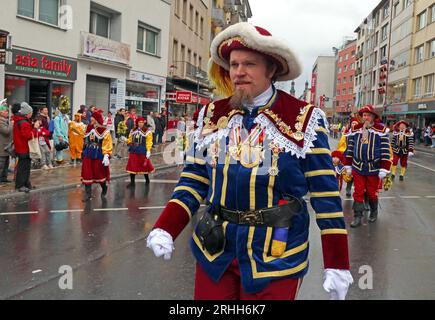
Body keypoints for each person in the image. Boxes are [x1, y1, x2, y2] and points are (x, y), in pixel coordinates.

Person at [146, 22, 352, 300]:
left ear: (271, 69)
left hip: (276, 256)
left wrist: (337, 263)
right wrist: (166, 227)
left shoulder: (303, 118)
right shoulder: (211, 115)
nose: (239, 72)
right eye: (234, 64)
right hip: (215, 249)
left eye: (249, 64)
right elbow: (194, 179)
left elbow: (325, 195)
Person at [344, 105, 392, 227]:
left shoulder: (381, 130)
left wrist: (384, 168)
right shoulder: (355, 129)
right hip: (358, 166)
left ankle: (374, 212)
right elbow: (350, 148)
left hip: (373, 167)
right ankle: (357, 216)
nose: (366, 117)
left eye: (368, 115)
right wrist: (348, 165)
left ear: (373, 117)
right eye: (364, 115)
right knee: (358, 191)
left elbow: (386, 150)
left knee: (371, 192)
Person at [81, 110, 112, 202]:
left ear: (97, 119)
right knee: (87, 173)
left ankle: (104, 187)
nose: (91, 119)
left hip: (98, 154)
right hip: (88, 154)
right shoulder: (88, 128)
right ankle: (88, 194)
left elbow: (107, 143)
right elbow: (85, 139)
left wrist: (106, 155)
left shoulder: (104, 131)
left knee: (99, 174)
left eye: (93, 118)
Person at [12, 102, 40, 193]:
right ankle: (20, 185)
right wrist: (35, 128)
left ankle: (26, 184)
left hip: (22, 147)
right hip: (23, 148)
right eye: (31, 112)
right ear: (27, 113)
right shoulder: (23, 122)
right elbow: (28, 135)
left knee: (26, 167)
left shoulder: (21, 121)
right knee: (23, 168)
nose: (32, 114)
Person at [125, 117, 154, 187]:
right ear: (137, 123)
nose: (141, 124)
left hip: (142, 150)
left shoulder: (147, 131)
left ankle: (147, 180)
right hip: (133, 149)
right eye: (139, 122)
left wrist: (148, 150)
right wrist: (127, 141)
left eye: (142, 122)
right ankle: (132, 182)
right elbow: (130, 139)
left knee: (144, 165)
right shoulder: (133, 130)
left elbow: (149, 141)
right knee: (132, 165)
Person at [0, 99, 13, 183]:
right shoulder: (0, 122)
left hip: (7, 146)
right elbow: (6, 131)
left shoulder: (5, 121)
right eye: (5, 111)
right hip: (1, 146)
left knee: (6, 164)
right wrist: (12, 124)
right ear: (0, 112)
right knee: (1, 164)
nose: (7, 113)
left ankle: (4, 178)